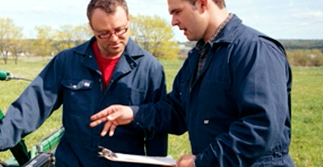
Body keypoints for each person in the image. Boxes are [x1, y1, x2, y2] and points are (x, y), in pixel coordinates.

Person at [89, 0, 294, 166]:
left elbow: (261, 127)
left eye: (177, 11)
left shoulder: (254, 50)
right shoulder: (198, 56)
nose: (173, 21)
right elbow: (177, 112)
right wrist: (133, 113)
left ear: (202, 4)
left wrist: (203, 161)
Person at [0, 0, 170, 166]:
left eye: (121, 30)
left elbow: (157, 127)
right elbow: (33, 104)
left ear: (128, 20)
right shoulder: (67, 62)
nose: (114, 39)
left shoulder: (149, 68)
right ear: (91, 28)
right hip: (74, 161)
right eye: (104, 33)